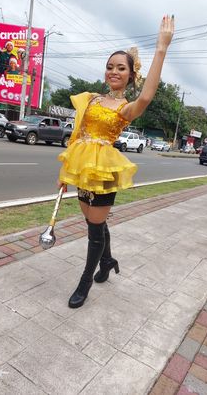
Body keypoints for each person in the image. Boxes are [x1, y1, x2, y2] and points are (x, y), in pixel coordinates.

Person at [57, 15, 174, 308]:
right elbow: (76, 136)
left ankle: (85, 282)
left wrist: (161, 48)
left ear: (131, 75)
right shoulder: (92, 100)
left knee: (94, 230)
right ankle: (108, 260)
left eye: (121, 68)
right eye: (110, 66)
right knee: (92, 221)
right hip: (83, 170)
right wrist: (64, 174)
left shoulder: (125, 108)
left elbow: (146, 98)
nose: (113, 71)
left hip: (105, 172)